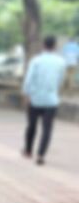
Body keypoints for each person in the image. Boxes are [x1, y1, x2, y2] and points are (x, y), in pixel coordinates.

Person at [22, 35, 66, 165]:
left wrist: (27, 94)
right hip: (51, 100)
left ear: (43, 45)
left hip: (35, 98)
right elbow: (60, 80)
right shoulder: (61, 62)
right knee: (47, 128)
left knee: (32, 125)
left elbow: (28, 80)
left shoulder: (36, 60)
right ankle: (41, 155)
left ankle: (28, 151)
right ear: (55, 46)